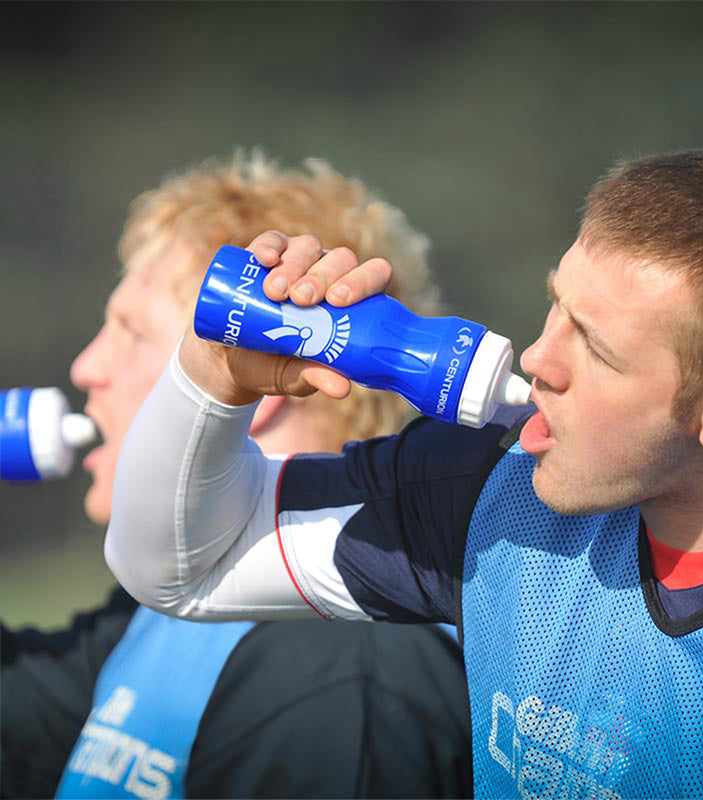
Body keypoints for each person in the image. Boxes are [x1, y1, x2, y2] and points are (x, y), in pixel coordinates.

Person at [106, 145, 703, 800]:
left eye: (596, 348)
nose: (537, 358)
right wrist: (213, 378)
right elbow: (185, 568)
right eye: (558, 304)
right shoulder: (500, 484)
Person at [0, 152, 473, 800]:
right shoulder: (172, 608)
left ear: (256, 369)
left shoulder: (350, 669)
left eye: (130, 333)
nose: (86, 368)